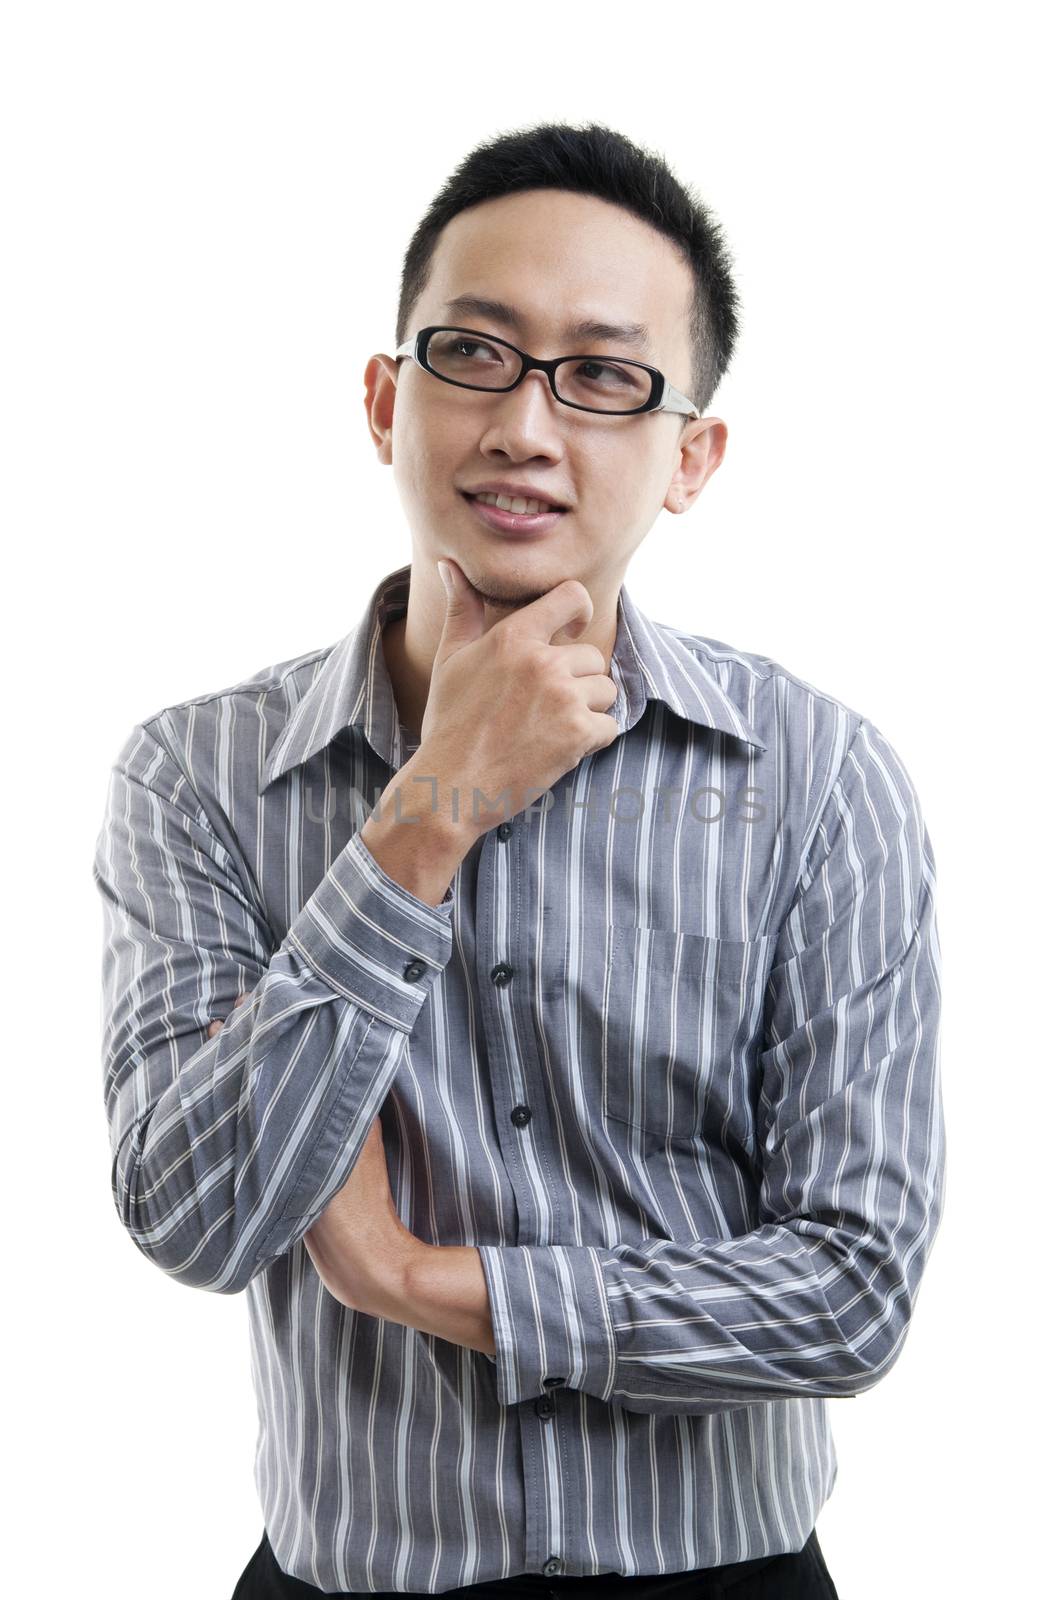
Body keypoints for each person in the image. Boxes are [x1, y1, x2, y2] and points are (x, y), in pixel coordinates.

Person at [92, 121, 944, 1599]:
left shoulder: (819, 781)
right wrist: (426, 814)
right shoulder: (200, 777)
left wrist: (433, 1285)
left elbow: (852, 1294)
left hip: (724, 1574)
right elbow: (195, 1212)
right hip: (352, 1577)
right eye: (474, 355)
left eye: (604, 378)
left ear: (691, 457)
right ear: (383, 399)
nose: (528, 429)